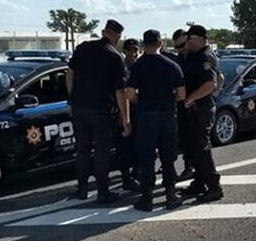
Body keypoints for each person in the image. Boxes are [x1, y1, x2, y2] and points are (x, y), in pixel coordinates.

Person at [66, 19, 130, 204]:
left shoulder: (83, 48)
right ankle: (103, 192)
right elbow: (120, 91)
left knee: (82, 150)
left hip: (79, 108)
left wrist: (72, 98)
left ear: (103, 32)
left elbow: (69, 73)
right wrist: (126, 119)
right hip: (101, 111)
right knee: (101, 151)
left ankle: (82, 189)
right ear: (116, 36)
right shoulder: (114, 56)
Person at [126, 29, 185, 212]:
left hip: (145, 116)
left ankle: (147, 199)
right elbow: (181, 95)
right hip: (167, 115)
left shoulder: (137, 66)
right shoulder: (172, 65)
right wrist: (168, 100)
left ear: (144, 45)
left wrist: (141, 102)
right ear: (161, 44)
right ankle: (170, 196)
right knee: (168, 157)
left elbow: (130, 94)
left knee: (147, 158)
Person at [180, 24, 223, 203]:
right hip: (193, 111)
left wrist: (190, 99)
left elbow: (210, 84)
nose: (186, 42)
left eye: (189, 39)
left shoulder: (205, 56)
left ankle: (214, 187)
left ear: (199, 39)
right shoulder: (193, 56)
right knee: (192, 148)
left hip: (201, 109)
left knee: (201, 148)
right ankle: (199, 182)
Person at [166, 29, 195, 181]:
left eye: (182, 45)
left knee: (197, 141)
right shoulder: (178, 60)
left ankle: (199, 172)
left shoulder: (199, 57)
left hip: (197, 105)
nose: (181, 49)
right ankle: (188, 167)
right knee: (184, 138)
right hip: (181, 105)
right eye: (177, 47)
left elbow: (217, 81)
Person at [118, 38, 141, 191]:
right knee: (124, 146)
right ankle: (126, 177)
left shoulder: (141, 66)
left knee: (139, 144)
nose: (132, 53)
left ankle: (137, 172)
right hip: (124, 110)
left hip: (139, 110)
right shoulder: (120, 67)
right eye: (129, 50)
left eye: (135, 50)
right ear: (125, 51)